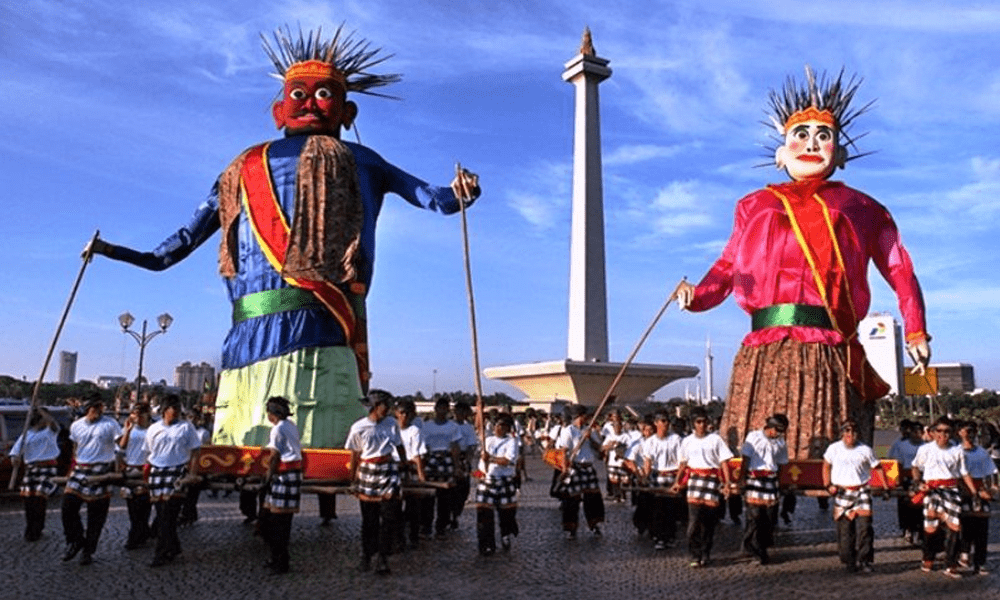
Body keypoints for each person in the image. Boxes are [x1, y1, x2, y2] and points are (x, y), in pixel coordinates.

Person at [84, 25, 481, 452]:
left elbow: (434, 199)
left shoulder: (362, 161)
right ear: (278, 111)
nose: (310, 103)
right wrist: (113, 251)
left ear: (348, 113)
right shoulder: (240, 169)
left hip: (326, 321)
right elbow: (173, 247)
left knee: (322, 418)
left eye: (324, 94)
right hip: (249, 333)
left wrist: (461, 191)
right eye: (299, 94)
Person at [674, 67, 930, 459]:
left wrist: (915, 331)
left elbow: (899, 269)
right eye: (801, 134)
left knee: (823, 453)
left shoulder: (864, 209)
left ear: (839, 154)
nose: (812, 143)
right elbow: (728, 266)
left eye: (823, 135)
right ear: (781, 154)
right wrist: (696, 296)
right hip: (765, 348)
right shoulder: (754, 205)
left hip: (828, 346)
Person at [911, 417, 982, 578]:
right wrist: (917, 482)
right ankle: (928, 556)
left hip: (951, 492)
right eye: (939, 431)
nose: (943, 435)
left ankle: (951, 564)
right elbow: (916, 467)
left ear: (952, 433)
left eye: (947, 431)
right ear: (933, 433)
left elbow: (964, 473)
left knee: (954, 528)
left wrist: (974, 492)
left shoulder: (957, 451)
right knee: (931, 528)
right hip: (931, 492)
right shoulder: (925, 450)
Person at [346, 390, 406, 575]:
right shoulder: (359, 427)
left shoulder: (391, 424)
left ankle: (383, 558)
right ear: (374, 407)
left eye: (388, 406)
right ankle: (366, 555)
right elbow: (355, 455)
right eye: (384, 406)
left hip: (387, 471)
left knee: (388, 519)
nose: (387, 409)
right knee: (369, 520)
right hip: (367, 474)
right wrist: (353, 479)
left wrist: (403, 466)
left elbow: (398, 445)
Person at [61, 394, 122, 565]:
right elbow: (75, 449)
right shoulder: (76, 426)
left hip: (101, 470)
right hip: (80, 470)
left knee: (96, 517)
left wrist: (129, 431)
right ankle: (75, 540)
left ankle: (88, 550)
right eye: (94, 407)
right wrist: (71, 469)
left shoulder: (111, 424)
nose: (97, 410)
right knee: (68, 508)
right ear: (87, 408)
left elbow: (121, 444)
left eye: (100, 406)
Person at [145, 394, 202, 567]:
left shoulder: (186, 427)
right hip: (157, 473)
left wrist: (192, 473)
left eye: (178, 409)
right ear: (164, 410)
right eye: (173, 409)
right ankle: (173, 547)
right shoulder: (153, 428)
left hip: (177, 472)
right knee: (162, 515)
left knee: (168, 515)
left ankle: (161, 553)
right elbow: (148, 452)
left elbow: (195, 451)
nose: (177, 412)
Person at [673, 408, 733, 567]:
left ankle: (706, 553)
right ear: (693, 424)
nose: (702, 425)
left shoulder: (716, 440)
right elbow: (683, 464)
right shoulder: (686, 441)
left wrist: (727, 483)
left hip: (712, 482)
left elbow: (724, 462)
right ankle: (694, 554)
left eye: (704, 422)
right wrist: (677, 482)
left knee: (708, 523)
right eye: (698, 422)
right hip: (694, 483)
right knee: (693, 522)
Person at [822, 418, 883, 574]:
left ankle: (865, 560)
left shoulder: (865, 450)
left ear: (858, 434)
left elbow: (878, 467)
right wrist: (828, 485)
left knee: (865, 528)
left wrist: (885, 486)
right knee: (845, 530)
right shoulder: (833, 449)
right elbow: (826, 466)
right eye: (847, 431)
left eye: (853, 431)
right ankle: (849, 559)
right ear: (842, 433)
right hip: (842, 492)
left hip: (861, 491)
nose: (850, 434)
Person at [736, 414, 789, 565]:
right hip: (755, 480)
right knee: (754, 517)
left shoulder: (780, 442)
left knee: (769, 518)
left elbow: (781, 465)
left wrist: (780, 484)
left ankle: (763, 548)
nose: (779, 434)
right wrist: (742, 479)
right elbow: (745, 460)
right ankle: (752, 549)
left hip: (771, 482)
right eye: (778, 430)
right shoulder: (753, 437)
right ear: (770, 427)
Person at [259, 397, 302, 574]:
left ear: (272, 414)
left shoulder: (277, 430)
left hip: (283, 475)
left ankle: (281, 561)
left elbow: (274, 456)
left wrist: (267, 478)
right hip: (293, 474)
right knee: (281, 521)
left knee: (278, 523)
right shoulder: (291, 425)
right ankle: (277, 557)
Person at [9, 407, 61, 542]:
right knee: (29, 500)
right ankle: (30, 527)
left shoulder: (51, 431)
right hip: (31, 468)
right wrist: (14, 459)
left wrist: (38, 407)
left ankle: (37, 529)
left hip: (47, 468)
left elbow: (52, 421)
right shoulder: (27, 434)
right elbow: (15, 451)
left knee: (39, 499)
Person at [554, 405, 605, 539]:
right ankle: (571, 528)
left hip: (588, 468)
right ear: (578, 416)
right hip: (575, 467)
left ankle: (594, 525)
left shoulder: (590, 430)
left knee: (593, 499)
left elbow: (599, 448)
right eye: (584, 416)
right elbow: (564, 452)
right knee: (572, 500)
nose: (586, 418)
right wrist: (564, 470)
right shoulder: (568, 431)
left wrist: (590, 438)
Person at [956, 421, 998, 575]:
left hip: (981, 490)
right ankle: (964, 552)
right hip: (962, 492)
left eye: (973, 431)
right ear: (960, 432)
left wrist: (992, 490)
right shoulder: (955, 452)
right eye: (967, 431)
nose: (970, 434)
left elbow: (991, 472)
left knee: (982, 527)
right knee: (965, 524)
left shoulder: (982, 452)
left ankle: (980, 561)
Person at [475, 414, 520, 555]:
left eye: (501, 426)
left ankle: (505, 535)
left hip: (505, 480)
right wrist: (477, 474)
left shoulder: (512, 442)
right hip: (487, 480)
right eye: (496, 425)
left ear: (507, 428)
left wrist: (492, 459)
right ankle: (486, 544)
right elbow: (481, 460)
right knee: (484, 514)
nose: (498, 428)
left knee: (506, 513)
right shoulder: (487, 440)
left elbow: (508, 460)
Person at [420, 397, 463, 539]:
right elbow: (423, 446)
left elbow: (455, 447)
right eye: (440, 408)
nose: (442, 411)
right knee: (428, 496)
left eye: (445, 408)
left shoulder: (453, 427)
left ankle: (441, 527)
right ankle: (426, 526)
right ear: (435, 409)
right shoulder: (426, 426)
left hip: (447, 459)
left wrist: (457, 466)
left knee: (445, 496)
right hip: (431, 459)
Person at [641, 411, 682, 550]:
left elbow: (681, 461)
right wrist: (645, 478)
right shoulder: (650, 442)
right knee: (658, 508)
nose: (665, 424)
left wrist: (678, 480)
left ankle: (670, 537)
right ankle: (659, 537)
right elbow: (648, 462)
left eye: (667, 421)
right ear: (656, 423)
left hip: (671, 476)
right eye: (662, 421)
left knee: (671, 508)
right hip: (657, 476)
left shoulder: (676, 439)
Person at [117, 402, 153, 549]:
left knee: (143, 506)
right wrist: (128, 430)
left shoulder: (152, 430)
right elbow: (121, 446)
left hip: (146, 470)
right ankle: (140, 532)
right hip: (130, 468)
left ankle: (136, 535)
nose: (136, 417)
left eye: (140, 414)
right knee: (132, 506)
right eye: (134, 413)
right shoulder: (128, 428)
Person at [394, 399, 426, 550]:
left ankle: (414, 537)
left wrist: (421, 475)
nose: (404, 416)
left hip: (410, 470)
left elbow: (418, 455)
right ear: (396, 414)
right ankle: (398, 538)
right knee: (394, 507)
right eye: (401, 413)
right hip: (393, 471)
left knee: (413, 506)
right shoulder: (391, 430)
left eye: (407, 413)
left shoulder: (415, 431)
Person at [887, 419, 924, 545]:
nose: (918, 434)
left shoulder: (926, 446)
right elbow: (894, 461)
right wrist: (894, 480)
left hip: (922, 477)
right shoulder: (900, 444)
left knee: (921, 504)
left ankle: (920, 530)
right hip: (905, 477)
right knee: (905, 505)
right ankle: (907, 528)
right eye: (915, 431)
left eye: (920, 431)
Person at [452, 401, 478, 529]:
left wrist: (467, 461)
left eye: (463, 412)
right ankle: (448, 515)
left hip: (463, 457)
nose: (460, 415)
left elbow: (471, 446)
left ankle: (456, 513)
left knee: (463, 489)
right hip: (449, 458)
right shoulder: (449, 425)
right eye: (458, 412)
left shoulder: (469, 428)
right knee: (450, 489)